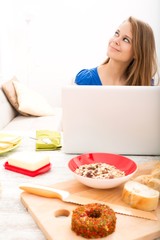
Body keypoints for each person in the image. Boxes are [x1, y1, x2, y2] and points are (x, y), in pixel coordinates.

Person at [74, 16, 159, 86]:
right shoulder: (85, 80)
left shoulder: (145, 86)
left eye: (126, 40)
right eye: (117, 33)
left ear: (137, 53)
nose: (115, 40)